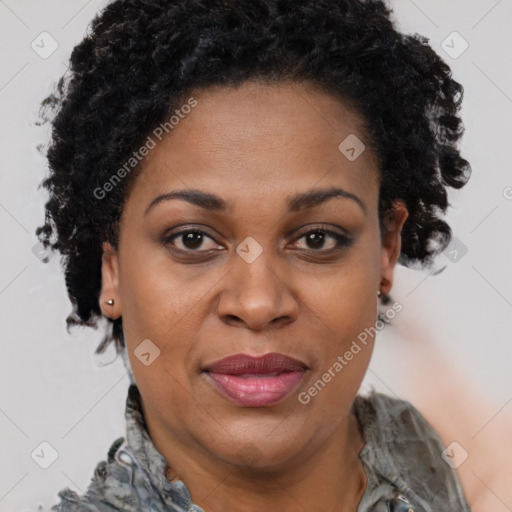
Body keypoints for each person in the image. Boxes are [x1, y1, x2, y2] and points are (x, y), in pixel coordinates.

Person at [35, 0, 473, 510]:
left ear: (386, 250)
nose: (260, 302)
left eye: (317, 238)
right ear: (111, 270)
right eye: (192, 239)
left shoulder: (426, 458)